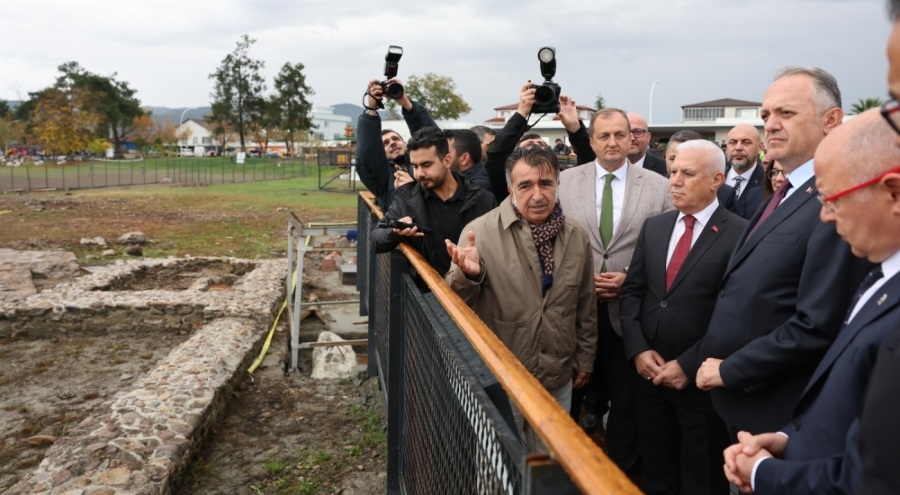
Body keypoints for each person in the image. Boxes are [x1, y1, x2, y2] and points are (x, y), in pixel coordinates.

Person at [721, 108, 900, 495]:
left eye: (833, 199)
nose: (825, 216)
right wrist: (790, 441)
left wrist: (764, 474)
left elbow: (875, 477)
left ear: (893, 193)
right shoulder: (880, 276)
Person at [693, 67, 873, 436]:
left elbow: (818, 324)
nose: (771, 125)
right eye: (766, 115)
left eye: (786, 113)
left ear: (831, 120)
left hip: (782, 414)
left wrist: (730, 370)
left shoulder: (836, 200)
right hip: (743, 402)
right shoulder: (785, 192)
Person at [444, 146, 597, 454]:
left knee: (551, 460)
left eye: (545, 183)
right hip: (502, 374)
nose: (537, 195)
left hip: (556, 375)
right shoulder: (479, 232)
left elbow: (585, 303)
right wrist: (468, 275)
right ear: (510, 189)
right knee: (500, 461)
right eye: (525, 185)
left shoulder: (576, 234)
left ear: (557, 184)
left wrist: (584, 358)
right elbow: (455, 304)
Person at [620, 139, 747, 495]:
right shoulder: (654, 227)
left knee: (702, 481)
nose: (674, 180)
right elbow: (632, 293)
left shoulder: (741, 234)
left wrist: (688, 366)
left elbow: (736, 315)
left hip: (700, 388)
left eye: (687, 173)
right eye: (673, 170)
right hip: (650, 379)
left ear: (716, 179)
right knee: (658, 475)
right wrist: (638, 350)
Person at [557, 108, 673, 477]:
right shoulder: (563, 182)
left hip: (631, 314)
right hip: (576, 311)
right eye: (604, 136)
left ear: (632, 138)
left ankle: (620, 475)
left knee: (626, 402)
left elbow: (668, 249)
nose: (613, 142)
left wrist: (628, 277)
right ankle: (563, 471)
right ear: (590, 141)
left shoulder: (659, 187)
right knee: (569, 394)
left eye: (620, 135)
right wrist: (580, 277)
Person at [371, 127, 496, 278]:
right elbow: (375, 239)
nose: (419, 174)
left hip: (474, 288)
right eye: (415, 166)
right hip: (428, 291)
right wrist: (395, 233)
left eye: (426, 165)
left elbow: (497, 252)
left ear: (447, 161)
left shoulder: (483, 199)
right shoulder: (408, 200)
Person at [484, 85, 594, 202]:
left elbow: (589, 161)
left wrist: (575, 128)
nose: (536, 146)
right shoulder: (507, 180)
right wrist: (521, 114)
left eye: (541, 144)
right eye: (525, 186)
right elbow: (496, 153)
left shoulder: (566, 179)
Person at [355, 78, 437, 212]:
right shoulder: (382, 179)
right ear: (380, 153)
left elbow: (431, 140)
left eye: (395, 139)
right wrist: (371, 110)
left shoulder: (427, 166)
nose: (392, 143)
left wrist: (404, 101)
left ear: (405, 144)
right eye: (386, 143)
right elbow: (366, 154)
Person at [665, 130, 736, 211]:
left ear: (716, 180)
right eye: (673, 158)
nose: (675, 182)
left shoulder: (726, 194)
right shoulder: (657, 186)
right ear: (665, 156)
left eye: (688, 173)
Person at [724, 124, 766, 219]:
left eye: (746, 142)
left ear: (760, 147)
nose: (738, 147)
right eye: (733, 142)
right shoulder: (713, 179)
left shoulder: (769, 182)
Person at [626, 113, 667, 177]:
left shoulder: (665, 169)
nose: (632, 138)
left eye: (637, 132)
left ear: (648, 137)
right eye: (626, 132)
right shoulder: (609, 168)